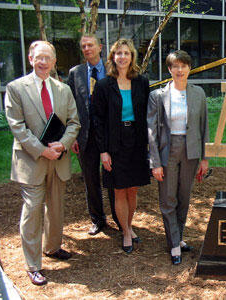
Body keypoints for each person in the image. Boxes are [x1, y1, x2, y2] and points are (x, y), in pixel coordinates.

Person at [4, 40, 80, 286]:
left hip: (58, 159)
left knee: (56, 208)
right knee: (33, 211)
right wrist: (41, 150)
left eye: (48, 58)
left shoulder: (63, 89)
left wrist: (63, 144)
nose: (43, 62)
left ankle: (53, 247)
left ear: (54, 61)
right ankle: (33, 265)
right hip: (31, 160)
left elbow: (73, 122)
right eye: (39, 58)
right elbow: (17, 126)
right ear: (30, 59)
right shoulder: (16, 88)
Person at [147, 50, 209, 265]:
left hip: (191, 151)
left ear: (189, 68)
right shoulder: (157, 96)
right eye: (175, 66)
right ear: (169, 69)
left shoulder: (199, 93)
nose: (179, 70)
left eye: (183, 66)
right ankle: (174, 244)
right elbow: (151, 131)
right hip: (168, 150)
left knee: (184, 198)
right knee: (168, 199)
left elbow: (204, 127)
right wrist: (154, 162)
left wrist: (204, 157)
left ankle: (178, 236)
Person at [93, 39, 150, 254]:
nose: (122, 57)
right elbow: (97, 119)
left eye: (126, 53)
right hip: (114, 142)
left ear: (132, 57)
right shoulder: (104, 85)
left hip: (136, 141)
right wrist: (103, 151)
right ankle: (125, 231)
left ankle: (129, 224)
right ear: (112, 57)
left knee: (133, 189)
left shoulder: (141, 82)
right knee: (119, 190)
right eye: (118, 53)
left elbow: (147, 113)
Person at [67, 34, 120, 235]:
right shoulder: (76, 73)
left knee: (113, 177)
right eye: (83, 46)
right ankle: (98, 219)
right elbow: (71, 106)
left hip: (109, 135)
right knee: (90, 179)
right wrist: (72, 136)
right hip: (85, 136)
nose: (87, 49)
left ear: (100, 47)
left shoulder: (113, 70)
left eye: (90, 45)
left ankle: (119, 217)